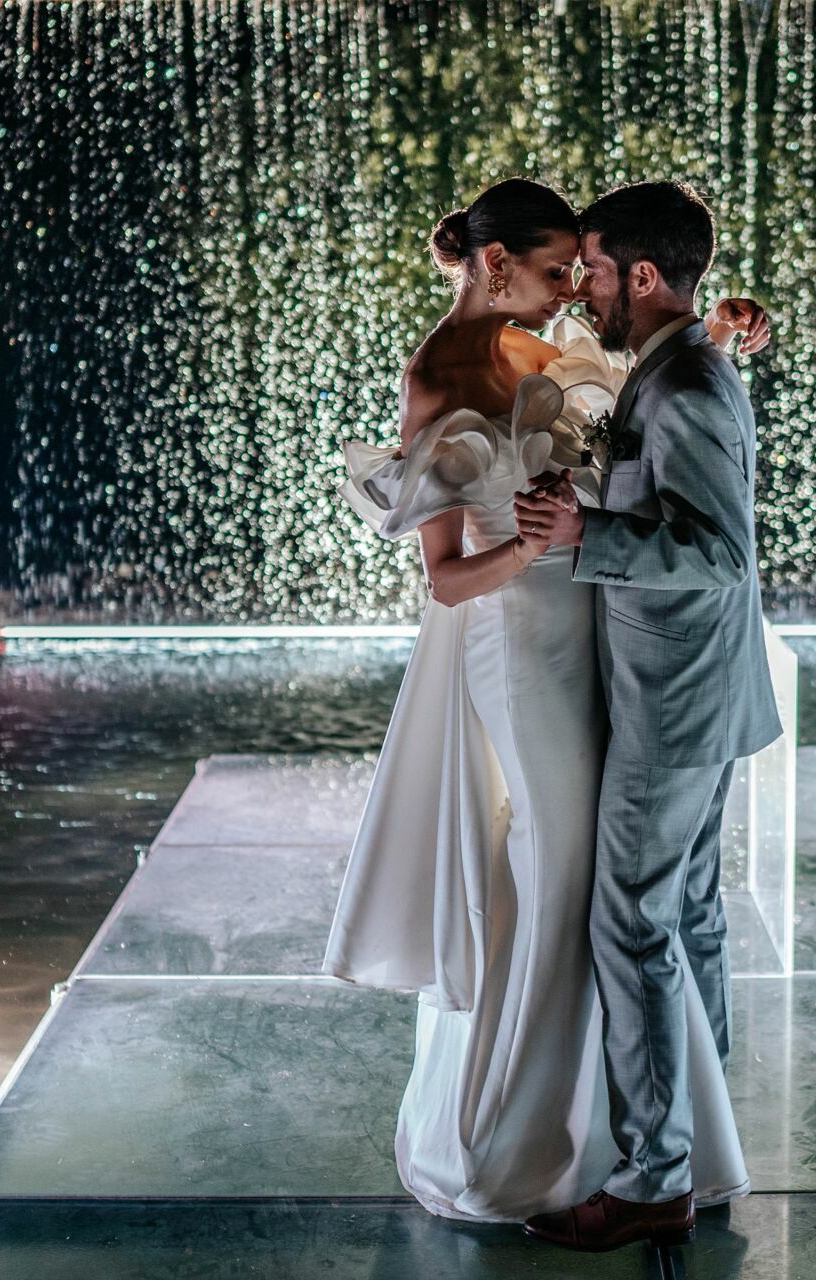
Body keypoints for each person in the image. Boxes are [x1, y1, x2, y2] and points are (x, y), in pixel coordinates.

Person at [323, 177, 770, 1226]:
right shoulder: (434, 379)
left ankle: (650, 1139)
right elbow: (444, 580)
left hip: (609, 640)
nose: (575, 288)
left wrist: (715, 333)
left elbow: (644, 403)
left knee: (624, 899)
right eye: (560, 268)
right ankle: (538, 1133)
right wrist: (531, 550)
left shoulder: (545, 341)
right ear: (497, 264)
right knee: (566, 873)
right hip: (523, 647)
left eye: (586, 269)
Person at [515, 181, 782, 1252]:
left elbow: (719, 555)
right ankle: (699, 1140)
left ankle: (654, 1177)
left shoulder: (688, 385)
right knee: (691, 916)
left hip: (676, 700)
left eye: (592, 268)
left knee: (631, 922)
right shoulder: (679, 363)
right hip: (693, 689)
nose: (582, 287)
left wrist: (586, 537)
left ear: (640, 275)